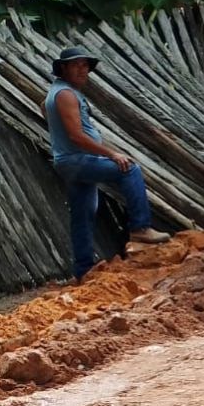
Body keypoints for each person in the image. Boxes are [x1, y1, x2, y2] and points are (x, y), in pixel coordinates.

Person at [43, 47, 170, 279]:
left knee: (83, 212)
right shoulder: (65, 95)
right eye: (76, 65)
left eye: (85, 66)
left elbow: (55, 121)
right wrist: (111, 154)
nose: (83, 70)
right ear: (63, 68)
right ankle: (141, 228)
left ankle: (83, 270)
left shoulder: (57, 93)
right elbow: (76, 135)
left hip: (70, 161)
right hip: (76, 159)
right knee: (129, 169)